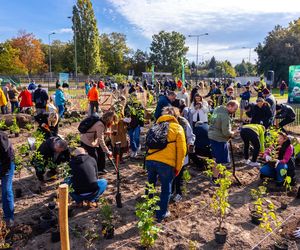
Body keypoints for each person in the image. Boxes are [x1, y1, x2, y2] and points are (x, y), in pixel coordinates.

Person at [145, 109, 187, 222]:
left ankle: (148, 208)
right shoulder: (177, 128)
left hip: (150, 160)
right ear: (175, 116)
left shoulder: (154, 127)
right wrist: (178, 167)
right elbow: (182, 150)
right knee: (166, 188)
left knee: (150, 185)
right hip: (166, 163)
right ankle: (161, 213)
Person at [166, 107, 195, 202]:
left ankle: (178, 193)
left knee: (179, 174)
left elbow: (191, 136)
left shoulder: (183, 122)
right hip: (169, 154)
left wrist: (190, 143)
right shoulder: (164, 122)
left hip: (181, 153)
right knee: (170, 174)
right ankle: (170, 192)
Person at [208, 100, 239, 181]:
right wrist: (233, 132)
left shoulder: (217, 109)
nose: (235, 111)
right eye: (235, 109)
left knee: (215, 158)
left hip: (212, 135)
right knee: (219, 161)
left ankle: (214, 176)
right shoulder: (225, 116)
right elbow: (226, 133)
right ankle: (216, 178)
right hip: (219, 139)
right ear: (229, 106)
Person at [0, 131, 15, 226]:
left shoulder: (2, 141)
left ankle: (9, 218)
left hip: (6, 165)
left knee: (6, 191)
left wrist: (1, 174)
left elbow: (8, 158)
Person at [124, 93, 145, 158]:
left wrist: (141, 125)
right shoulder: (128, 104)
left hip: (137, 124)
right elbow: (125, 112)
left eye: (135, 97)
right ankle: (134, 150)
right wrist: (127, 117)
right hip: (130, 124)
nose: (134, 98)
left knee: (136, 137)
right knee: (131, 137)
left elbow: (142, 114)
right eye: (133, 97)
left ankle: (138, 146)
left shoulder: (139, 104)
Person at [111, 96, 128, 163]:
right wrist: (123, 120)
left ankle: (119, 158)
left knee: (121, 144)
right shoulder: (116, 107)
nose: (124, 103)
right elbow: (115, 118)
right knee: (117, 144)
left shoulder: (121, 107)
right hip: (116, 128)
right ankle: (117, 159)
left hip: (121, 129)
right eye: (124, 101)